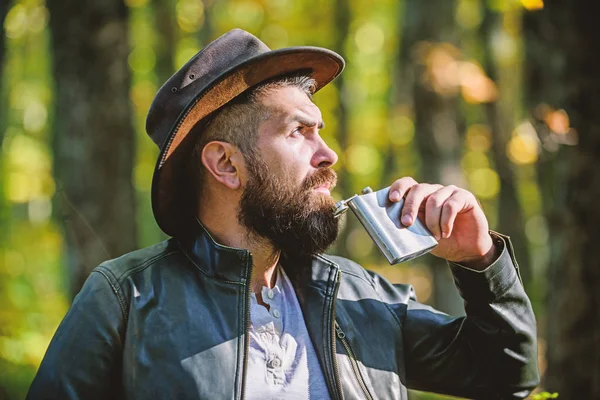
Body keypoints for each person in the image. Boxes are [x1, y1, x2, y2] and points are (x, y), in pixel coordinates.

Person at [28, 29, 539, 400]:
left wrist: (479, 259)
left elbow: (506, 373)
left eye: (321, 130)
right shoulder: (125, 298)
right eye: (300, 132)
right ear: (226, 163)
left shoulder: (357, 295)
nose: (329, 154)